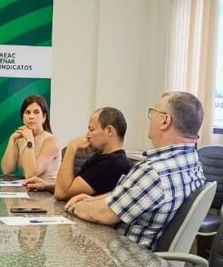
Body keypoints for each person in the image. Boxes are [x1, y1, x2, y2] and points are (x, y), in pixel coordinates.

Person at [64, 92, 206, 250]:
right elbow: (133, 195)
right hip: (151, 258)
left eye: (154, 112)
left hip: (125, 258)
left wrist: (76, 206)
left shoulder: (153, 172)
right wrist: (92, 200)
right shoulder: (193, 162)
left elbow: (104, 214)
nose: (150, 118)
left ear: (165, 121)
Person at [26, 107, 132, 201]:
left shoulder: (111, 164)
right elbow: (73, 188)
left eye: (91, 129)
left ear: (109, 131)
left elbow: (62, 193)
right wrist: (47, 186)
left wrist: (71, 148)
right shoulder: (103, 158)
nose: (88, 135)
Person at [0, 94, 61, 180]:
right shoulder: (20, 139)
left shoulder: (51, 141)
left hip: (46, 188)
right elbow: (6, 170)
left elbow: (31, 174)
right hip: (27, 186)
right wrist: (12, 139)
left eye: (36, 112)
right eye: (27, 112)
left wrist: (29, 140)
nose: (31, 117)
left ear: (44, 117)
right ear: (23, 117)